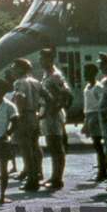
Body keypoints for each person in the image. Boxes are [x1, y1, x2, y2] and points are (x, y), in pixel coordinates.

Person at [39, 48, 71, 190]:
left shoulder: (55, 76)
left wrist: (54, 110)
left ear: (50, 59)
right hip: (47, 114)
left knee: (56, 147)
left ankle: (58, 179)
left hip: (53, 115)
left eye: (43, 58)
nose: (41, 61)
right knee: (52, 146)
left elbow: (65, 95)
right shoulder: (47, 75)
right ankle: (54, 176)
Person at [11, 58, 43, 191]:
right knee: (35, 146)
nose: (12, 70)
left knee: (26, 149)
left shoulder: (19, 82)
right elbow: (44, 99)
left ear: (21, 69)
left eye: (14, 67)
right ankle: (38, 172)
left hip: (24, 116)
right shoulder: (36, 82)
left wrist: (19, 115)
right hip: (34, 115)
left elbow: (20, 98)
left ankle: (31, 179)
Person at [83, 63, 107, 181]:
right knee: (96, 144)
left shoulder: (98, 87)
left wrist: (98, 118)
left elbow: (103, 103)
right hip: (90, 117)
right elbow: (87, 106)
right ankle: (102, 167)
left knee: (98, 145)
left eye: (87, 72)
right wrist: (86, 121)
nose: (84, 74)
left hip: (97, 117)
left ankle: (102, 170)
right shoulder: (87, 87)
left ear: (94, 73)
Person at [3, 69, 19, 174]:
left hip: (12, 120)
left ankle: (13, 166)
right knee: (13, 145)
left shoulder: (9, 94)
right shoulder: (13, 92)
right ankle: (13, 166)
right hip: (12, 119)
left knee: (12, 144)